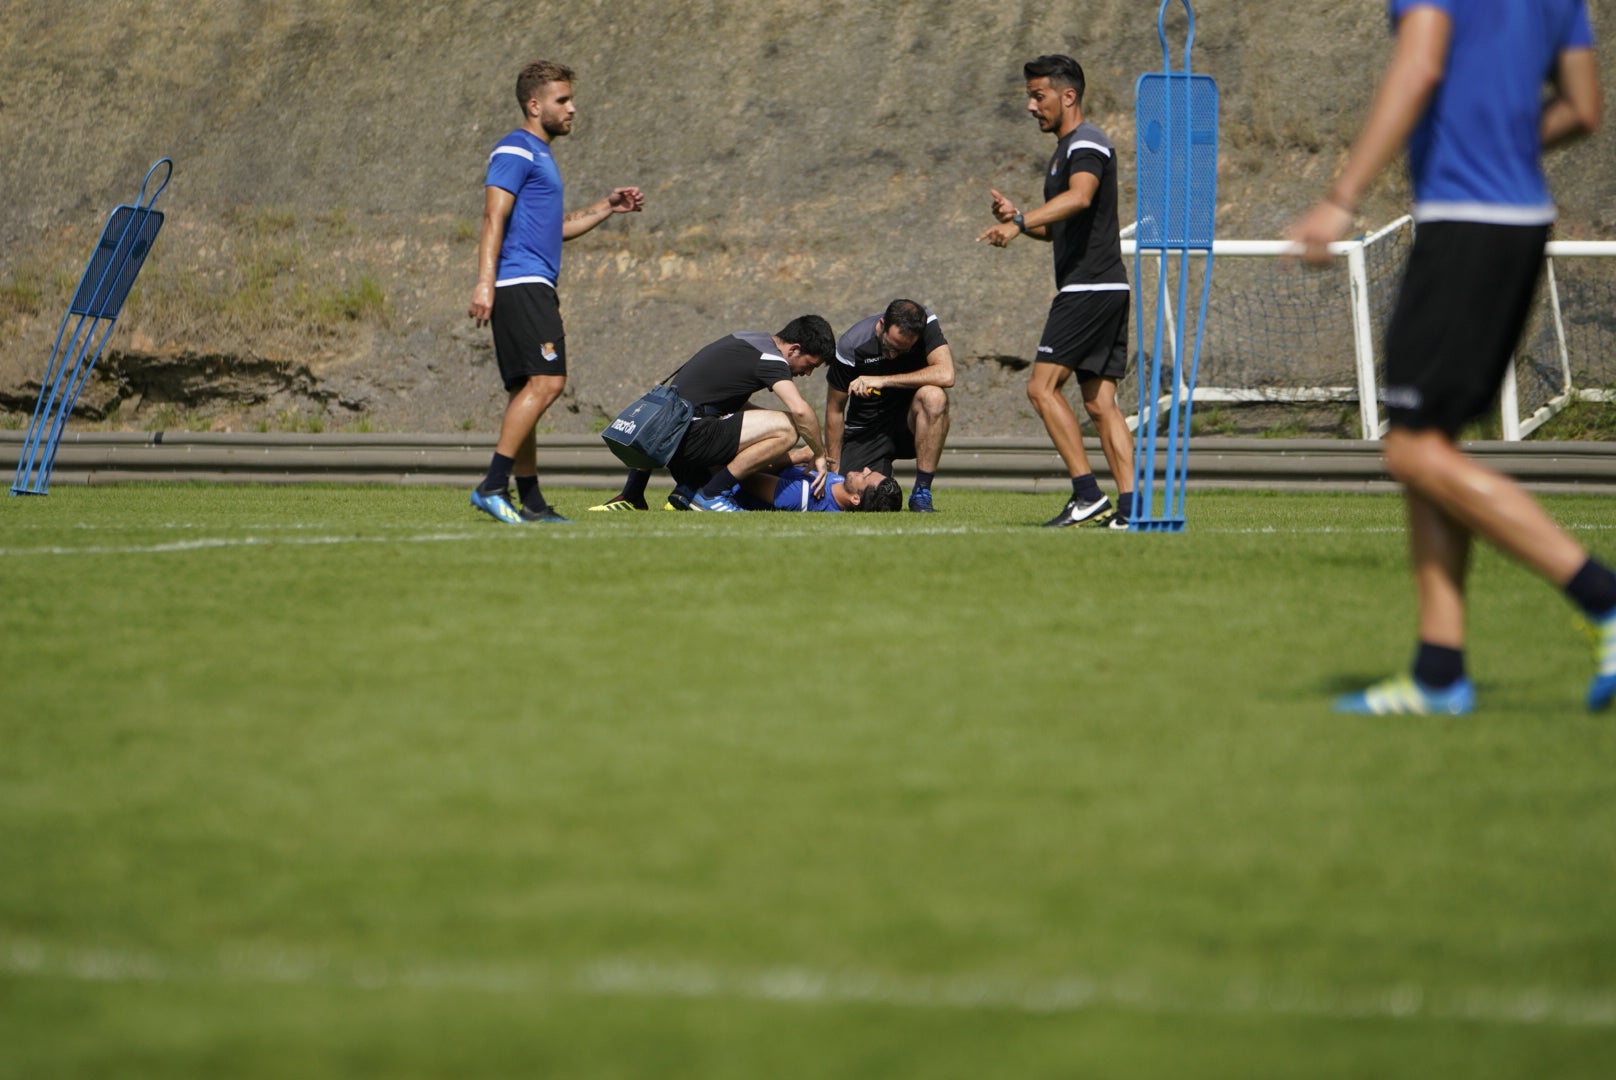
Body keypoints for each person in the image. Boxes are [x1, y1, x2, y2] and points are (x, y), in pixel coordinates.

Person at [1287, 0, 1611, 714]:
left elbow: (1421, 60)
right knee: (1425, 439)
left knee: (1410, 452)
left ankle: (1602, 596)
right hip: (1520, 221)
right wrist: (1506, 143)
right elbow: (1584, 108)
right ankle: (1439, 673)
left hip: (1465, 221)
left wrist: (1342, 195)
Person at [466, 60, 644, 525]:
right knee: (548, 382)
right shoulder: (516, 148)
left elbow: (555, 228)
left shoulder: (541, 156)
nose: (572, 108)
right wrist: (484, 282)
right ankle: (492, 484)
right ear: (534, 105)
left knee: (527, 390)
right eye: (562, 100)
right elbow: (492, 216)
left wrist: (607, 207)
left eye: (570, 99)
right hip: (520, 283)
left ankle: (532, 502)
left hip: (529, 282)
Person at [977, 54, 1137, 530]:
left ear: (1068, 96)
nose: (1031, 106)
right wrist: (1020, 220)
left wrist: (1021, 220)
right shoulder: (1066, 149)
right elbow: (1061, 226)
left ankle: (1087, 494)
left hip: (1088, 288)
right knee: (1100, 403)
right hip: (1105, 286)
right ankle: (1132, 509)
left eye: (1038, 95)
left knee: (1041, 388)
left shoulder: (1085, 143)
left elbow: (1081, 197)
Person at [593, 316, 836, 513]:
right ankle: (711, 495)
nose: (807, 374)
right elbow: (801, 411)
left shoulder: (748, 339)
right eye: (809, 365)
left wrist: (768, 426)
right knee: (791, 426)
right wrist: (819, 453)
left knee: (768, 424)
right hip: (688, 440)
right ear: (794, 349)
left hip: (666, 440)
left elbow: (731, 406)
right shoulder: (771, 358)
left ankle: (654, 492)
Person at [826, 299, 955, 512]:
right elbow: (835, 410)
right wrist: (833, 471)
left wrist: (883, 381)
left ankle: (922, 492)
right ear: (881, 325)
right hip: (867, 430)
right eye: (889, 347)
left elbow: (946, 374)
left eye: (902, 350)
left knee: (934, 397)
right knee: (849, 497)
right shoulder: (852, 344)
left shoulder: (926, 323)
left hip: (910, 425)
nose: (893, 355)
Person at [733, 448, 904, 512]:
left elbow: (742, 474)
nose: (865, 469)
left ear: (855, 499)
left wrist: (797, 456)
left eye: (866, 476)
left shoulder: (807, 496)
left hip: (728, 483)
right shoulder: (839, 481)